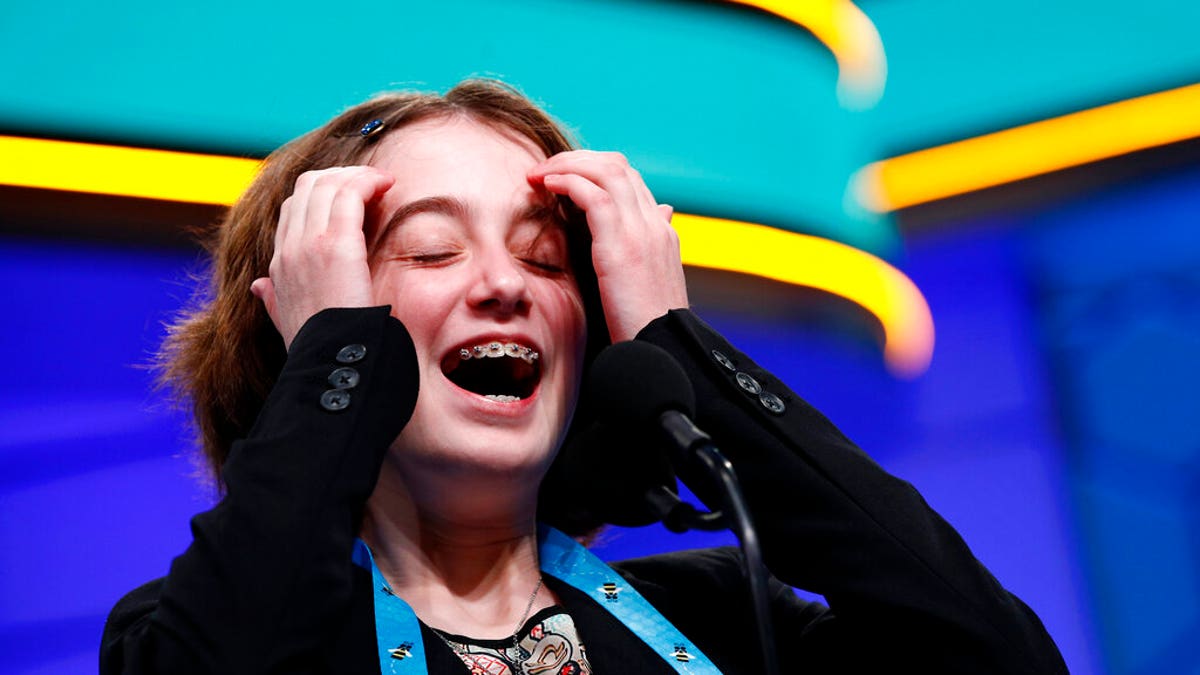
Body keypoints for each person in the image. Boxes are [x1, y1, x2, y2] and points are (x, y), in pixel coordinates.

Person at [100, 79, 1067, 675]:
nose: (502, 287)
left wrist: (679, 349)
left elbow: (996, 657)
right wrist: (335, 360)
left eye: (550, 262)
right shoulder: (191, 636)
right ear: (316, 329)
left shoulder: (727, 617)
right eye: (433, 252)